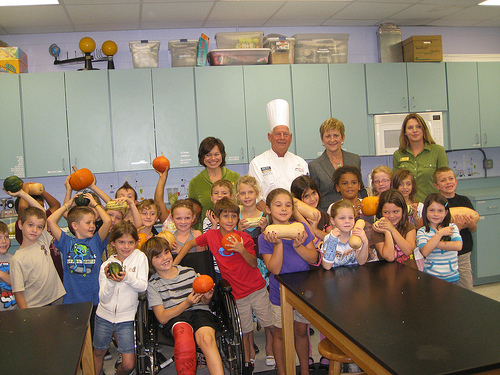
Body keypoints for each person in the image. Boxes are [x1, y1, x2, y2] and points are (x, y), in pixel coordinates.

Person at [174, 197, 274, 373]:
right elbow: (190, 243)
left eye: (234, 216)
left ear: (237, 218)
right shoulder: (211, 236)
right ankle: (248, 360)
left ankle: (273, 351)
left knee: (270, 325)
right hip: (237, 294)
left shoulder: (244, 238)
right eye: (225, 216)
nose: (229, 220)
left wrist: (241, 249)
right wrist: (175, 262)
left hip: (256, 288)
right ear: (217, 219)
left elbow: (252, 263)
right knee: (244, 330)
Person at [258, 188, 318, 375]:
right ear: (268, 209)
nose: (283, 209)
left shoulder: (302, 228)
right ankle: (283, 372)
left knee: (301, 331)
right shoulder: (265, 237)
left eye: (288, 205)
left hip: (303, 288)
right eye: (278, 205)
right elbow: (274, 269)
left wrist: (298, 246)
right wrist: (278, 244)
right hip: (279, 291)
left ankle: (305, 371)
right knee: (281, 334)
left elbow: (313, 258)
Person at [143, 237, 224, 375]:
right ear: (150, 262)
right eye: (158, 256)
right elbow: (162, 318)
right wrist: (186, 303)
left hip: (199, 311)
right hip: (175, 317)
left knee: (207, 339)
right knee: (184, 337)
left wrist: (207, 298)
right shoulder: (153, 285)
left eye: (166, 252)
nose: (165, 258)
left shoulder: (189, 272)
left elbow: (203, 302)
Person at [93, 221, 148, 375]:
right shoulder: (107, 264)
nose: (126, 246)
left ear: (137, 242)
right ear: (113, 243)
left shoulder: (140, 257)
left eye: (130, 242)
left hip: (126, 318)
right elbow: (103, 299)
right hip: (104, 316)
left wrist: (126, 277)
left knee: (129, 364)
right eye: (121, 242)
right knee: (98, 353)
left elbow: (142, 286)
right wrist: (111, 281)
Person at [47, 192, 111, 307]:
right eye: (88, 223)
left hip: (95, 299)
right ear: (75, 226)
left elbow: (107, 221)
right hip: (72, 301)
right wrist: (67, 205)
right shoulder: (66, 242)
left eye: (93, 222)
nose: (93, 226)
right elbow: (50, 221)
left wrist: (95, 204)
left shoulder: (96, 241)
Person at [9, 190, 66, 309]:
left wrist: (22, 193)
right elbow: (18, 293)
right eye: (30, 225)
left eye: (39, 227)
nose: (35, 230)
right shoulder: (17, 259)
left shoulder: (42, 241)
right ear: (20, 225)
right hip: (35, 306)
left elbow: (41, 213)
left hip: (57, 298)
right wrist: (26, 316)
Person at [248, 99, 308, 205]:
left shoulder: (301, 163)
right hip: (269, 218)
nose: (282, 138)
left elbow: (307, 195)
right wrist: (272, 216)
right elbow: (255, 198)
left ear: (290, 138)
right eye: (277, 134)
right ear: (269, 137)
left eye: (285, 134)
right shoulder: (257, 163)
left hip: (298, 216)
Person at [433, 167, 477, 290]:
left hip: (463, 252)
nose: (448, 182)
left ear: (456, 181)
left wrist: (471, 224)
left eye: (451, 178)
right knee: (446, 287)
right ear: (436, 185)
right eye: (443, 180)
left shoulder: (464, 201)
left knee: (466, 284)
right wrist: (456, 227)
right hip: (443, 253)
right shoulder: (436, 204)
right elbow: (435, 229)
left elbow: (473, 228)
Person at [309, 118, 363, 212]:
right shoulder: (315, 166)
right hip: (329, 214)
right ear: (322, 139)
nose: (332, 140)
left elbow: (361, 189)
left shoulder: (354, 159)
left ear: (343, 138)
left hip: (355, 213)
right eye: (328, 136)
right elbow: (314, 197)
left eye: (336, 135)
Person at [393, 113, 448, 203]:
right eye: (410, 128)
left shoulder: (438, 151)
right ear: (405, 132)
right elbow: (395, 186)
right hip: (407, 207)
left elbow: (445, 182)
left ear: (424, 130)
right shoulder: (398, 155)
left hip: (432, 206)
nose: (415, 130)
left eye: (418, 127)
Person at [14, 181, 63, 280]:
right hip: (40, 276)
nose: (40, 209)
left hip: (55, 272)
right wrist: (26, 190)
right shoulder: (23, 226)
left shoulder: (44, 218)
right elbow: (23, 207)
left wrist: (40, 191)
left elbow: (56, 205)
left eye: (41, 206)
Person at [189, 137, 239, 230]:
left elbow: (241, 206)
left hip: (233, 231)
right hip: (207, 234)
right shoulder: (195, 183)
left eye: (216, 154)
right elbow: (193, 215)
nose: (213, 158)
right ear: (202, 157)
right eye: (208, 155)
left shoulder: (235, 177)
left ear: (222, 155)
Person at [417, 193, 462, 284]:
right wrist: (439, 234)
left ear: (446, 213)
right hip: (431, 279)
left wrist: (434, 244)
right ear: (425, 212)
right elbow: (425, 251)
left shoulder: (451, 227)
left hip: (452, 278)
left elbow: (458, 246)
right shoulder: (422, 231)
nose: (436, 214)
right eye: (432, 210)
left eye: (440, 211)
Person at [371, 190, 417, 267]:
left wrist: (392, 229)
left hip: (410, 275)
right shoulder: (377, 231)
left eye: (396, 211)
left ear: (403, 210)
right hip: (388, 276)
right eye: (386, 212)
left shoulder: (409, 227)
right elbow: (389, 257)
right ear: (381, 212)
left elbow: (408, 250)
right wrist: (387, 232)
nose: (391, 216)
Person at [322, 199, 369, 269]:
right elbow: (327, 266)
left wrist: (365, 243)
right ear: (333, 221)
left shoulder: (356, 236)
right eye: (342, 218)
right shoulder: (329, 238)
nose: (347, 221)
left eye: (350, 218)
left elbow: (361, 262)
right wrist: (332, 241)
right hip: (335, 277)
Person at [290, 175, 330, 247]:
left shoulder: (325, 216)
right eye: (306, 196)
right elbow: (310, 238)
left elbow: (333, 239)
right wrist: (296, 213)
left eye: (314, 193)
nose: (312, 199)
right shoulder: (293, 220)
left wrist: (316, 230)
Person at [0, 221, 16, 310]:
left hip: (13, 309)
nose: (4, 241)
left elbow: (17, 282)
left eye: (6, 237)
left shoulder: (13, 259)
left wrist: (1, 274)